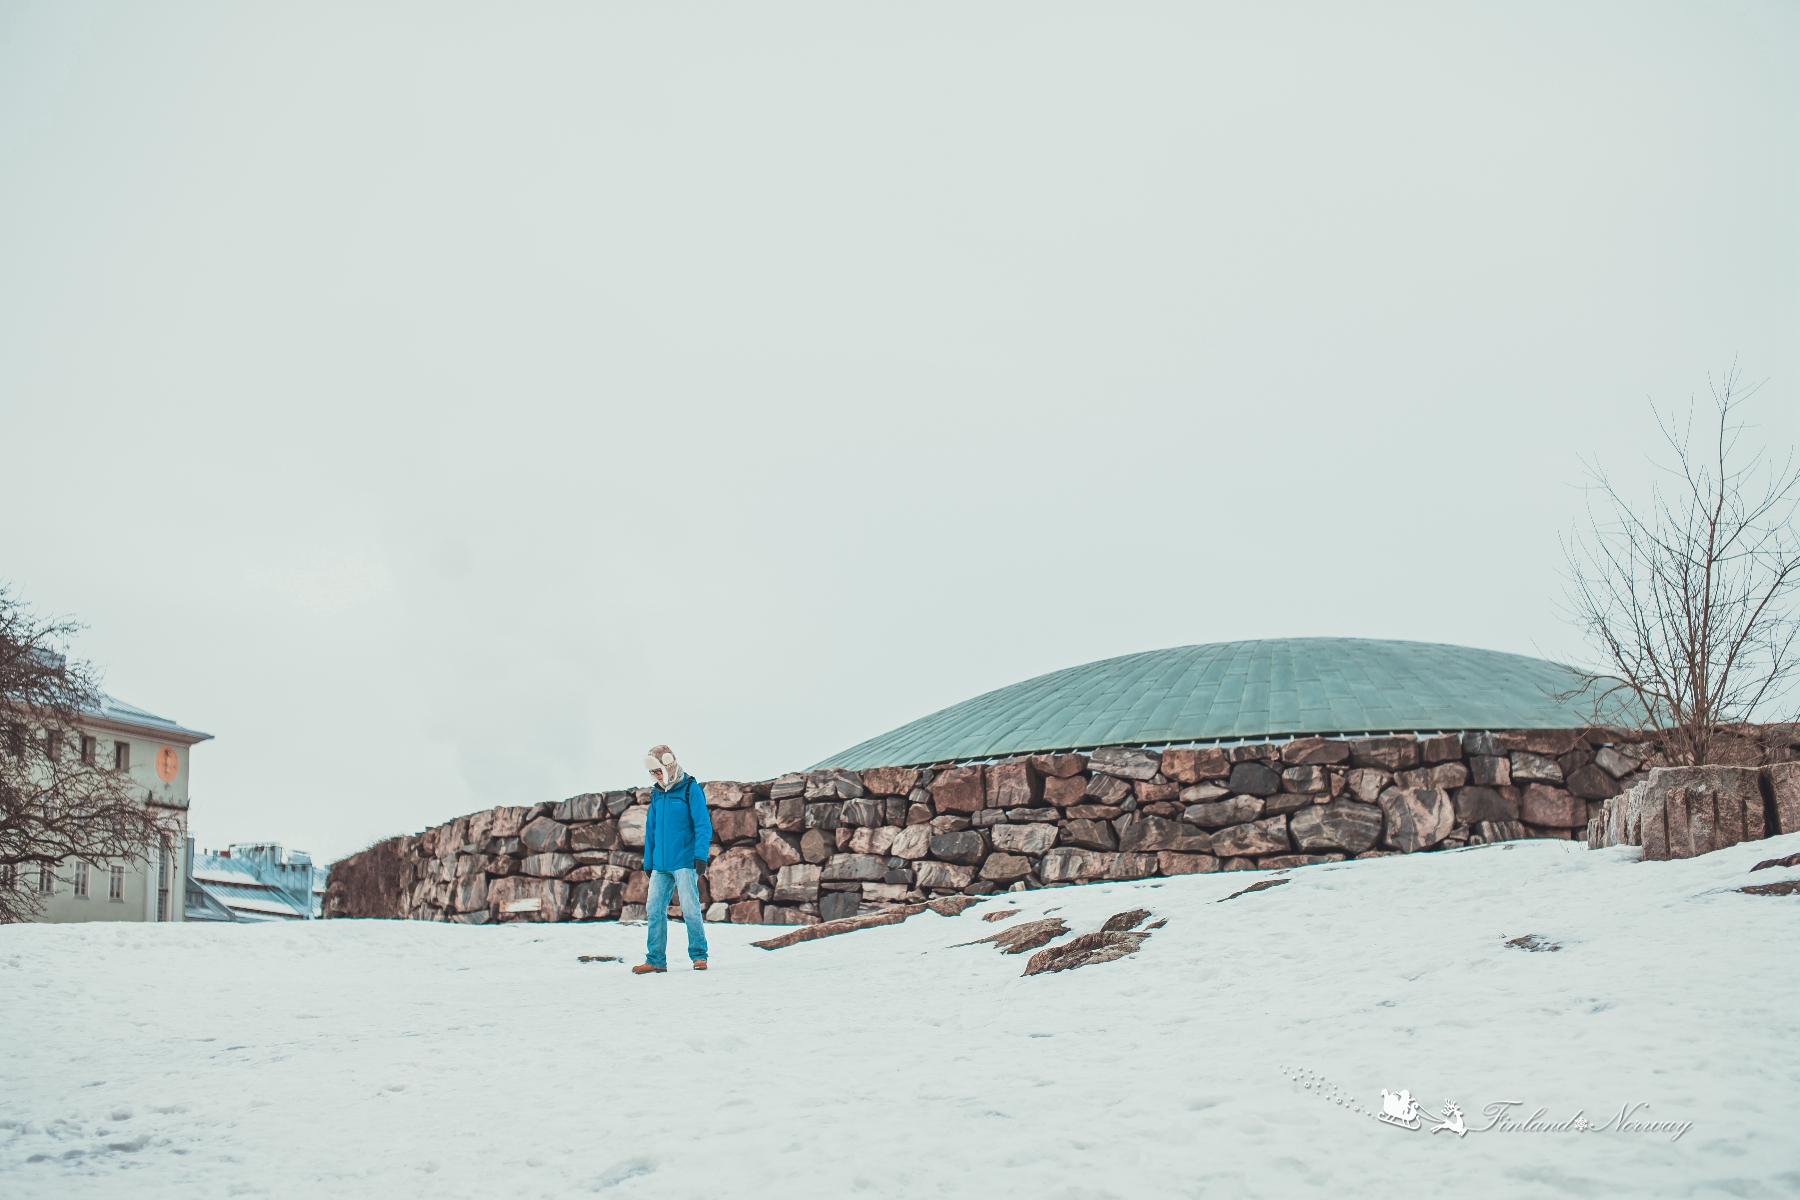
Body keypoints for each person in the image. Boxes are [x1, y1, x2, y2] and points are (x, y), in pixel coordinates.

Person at [632, 744, 713, 974]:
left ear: (669, 766)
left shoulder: (690, 789)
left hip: (685, 861)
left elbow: (702, 825)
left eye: (659, 771)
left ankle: (699, 955)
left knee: (690, 908)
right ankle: (655, 960)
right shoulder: (657, 794)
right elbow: (651, 830)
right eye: (652, 772)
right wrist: (649, 862)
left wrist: (700, 856)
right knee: (654, 909)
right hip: (660, 865)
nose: (656, 776)